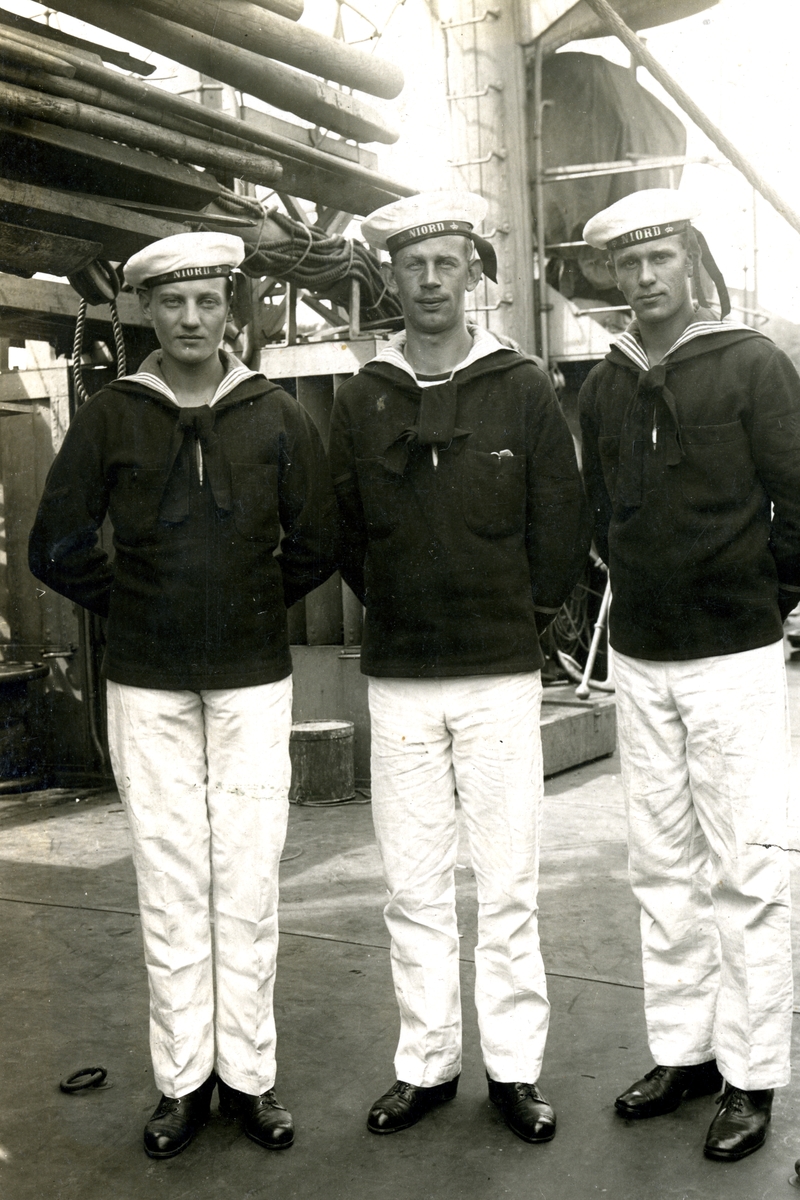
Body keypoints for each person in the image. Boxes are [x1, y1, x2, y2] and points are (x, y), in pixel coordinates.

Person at [29, 232, 338, 1159]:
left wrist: (247, 604)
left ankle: (250, 1079)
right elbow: (54, 544)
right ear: (146, 311)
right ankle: (182, 1085)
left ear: (231, 309)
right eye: (172, 303)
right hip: (148, 684)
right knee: (169, 883)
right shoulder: (111, 415)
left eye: (207, 301)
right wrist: (137, 604)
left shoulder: (276, 415)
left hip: (252, 683)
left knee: (246, 877)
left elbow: (317, 542)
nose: (192, 319)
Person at [578, 189, 800, 1161]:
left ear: (692, 262)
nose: (646, 277)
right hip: (643, 659)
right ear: (614, 276)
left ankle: (751, 1073)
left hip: (732, 659)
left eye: (661, 258)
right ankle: (684, 1053)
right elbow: (603, 512)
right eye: (629, 263)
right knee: (661, 867)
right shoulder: (606, 384)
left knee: (745, 869)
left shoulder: (750, 364)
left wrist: (755, 600)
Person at [329, 190, 592, 1144]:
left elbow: (560, 520)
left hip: (497, 675)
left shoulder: (519, 385)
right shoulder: (363, 396)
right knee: (413, 885)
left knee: (508, 883)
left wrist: (520, 617)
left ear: (473, 273)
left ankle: (514, 1070)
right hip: (401, 677)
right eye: (414, 265)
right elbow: (347, 530)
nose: (432, 280)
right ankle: (427, 1064)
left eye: (447, 262)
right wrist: (402, 606)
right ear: (391, 279)